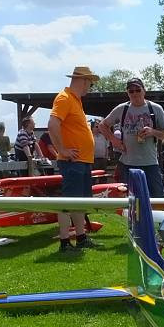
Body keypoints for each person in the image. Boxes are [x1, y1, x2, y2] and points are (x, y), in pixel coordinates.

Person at [50, 65, 99, 252]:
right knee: (68, 202)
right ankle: (64, 242)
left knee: (78, 202)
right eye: (90, 83)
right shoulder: (64, 98)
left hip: (82, 161)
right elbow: (52, 123)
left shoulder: (75, 100)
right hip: (73, 161)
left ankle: (81, 237)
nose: (90, 87)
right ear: (83, 80)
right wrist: (62, 149)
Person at [99, 76, 164, 197]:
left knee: (157, 198)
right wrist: (114, 140)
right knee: (131, 200)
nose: (135, 93)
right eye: (131, 91)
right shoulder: (122, 109)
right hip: (127, 163)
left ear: (144, 90)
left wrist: (152, 132)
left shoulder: (155, 109)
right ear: (127, 93)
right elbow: (102, 125)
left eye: (138, 90)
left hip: (150, 163)